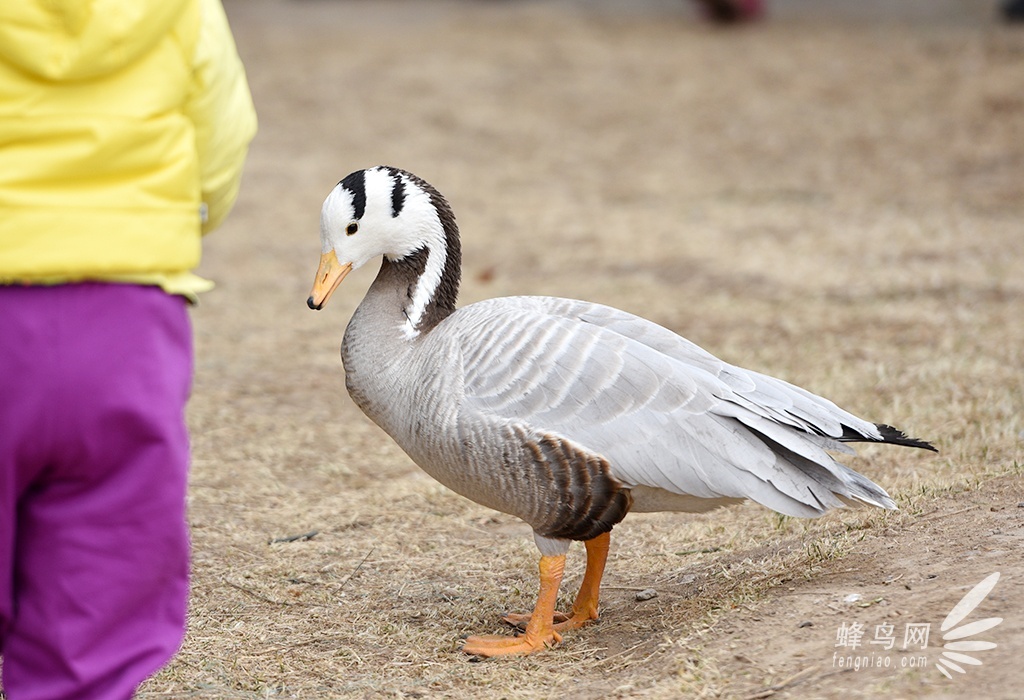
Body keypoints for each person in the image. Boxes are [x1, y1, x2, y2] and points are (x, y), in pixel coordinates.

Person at [0, 0, 256, 697]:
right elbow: (221, 141)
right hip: (124, 325)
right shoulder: (183, 9)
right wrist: (155, 221)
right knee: (95, 603)